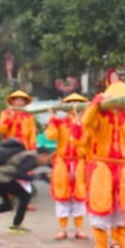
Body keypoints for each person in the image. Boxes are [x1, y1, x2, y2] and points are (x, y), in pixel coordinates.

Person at [83, 81, 125, 248]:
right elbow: (86, 121)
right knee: (100, 208)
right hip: (102, 166)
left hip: (123, 167)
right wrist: (97, 102)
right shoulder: (99, 116)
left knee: (124, 209)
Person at [0, 138, 53, 232]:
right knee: (25, 196)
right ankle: (16, 226)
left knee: (7, 206)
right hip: (0, 178)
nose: (47, 162)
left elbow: (51, 166)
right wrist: (40, 176)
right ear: (42, 155)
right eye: (48, 159)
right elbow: (19, 174)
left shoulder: (32, 156)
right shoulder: (31, 158)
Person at [45, 93, 89, 239]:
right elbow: (50, 136)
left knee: (79, 195)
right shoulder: (60, 122)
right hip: (62, 162)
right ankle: (63, 229)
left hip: (80, 162)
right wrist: (52, 119)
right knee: (61, 194)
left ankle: (78, 229)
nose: (75, 105)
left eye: (78, 102)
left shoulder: (87, 123)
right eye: (71, 102)